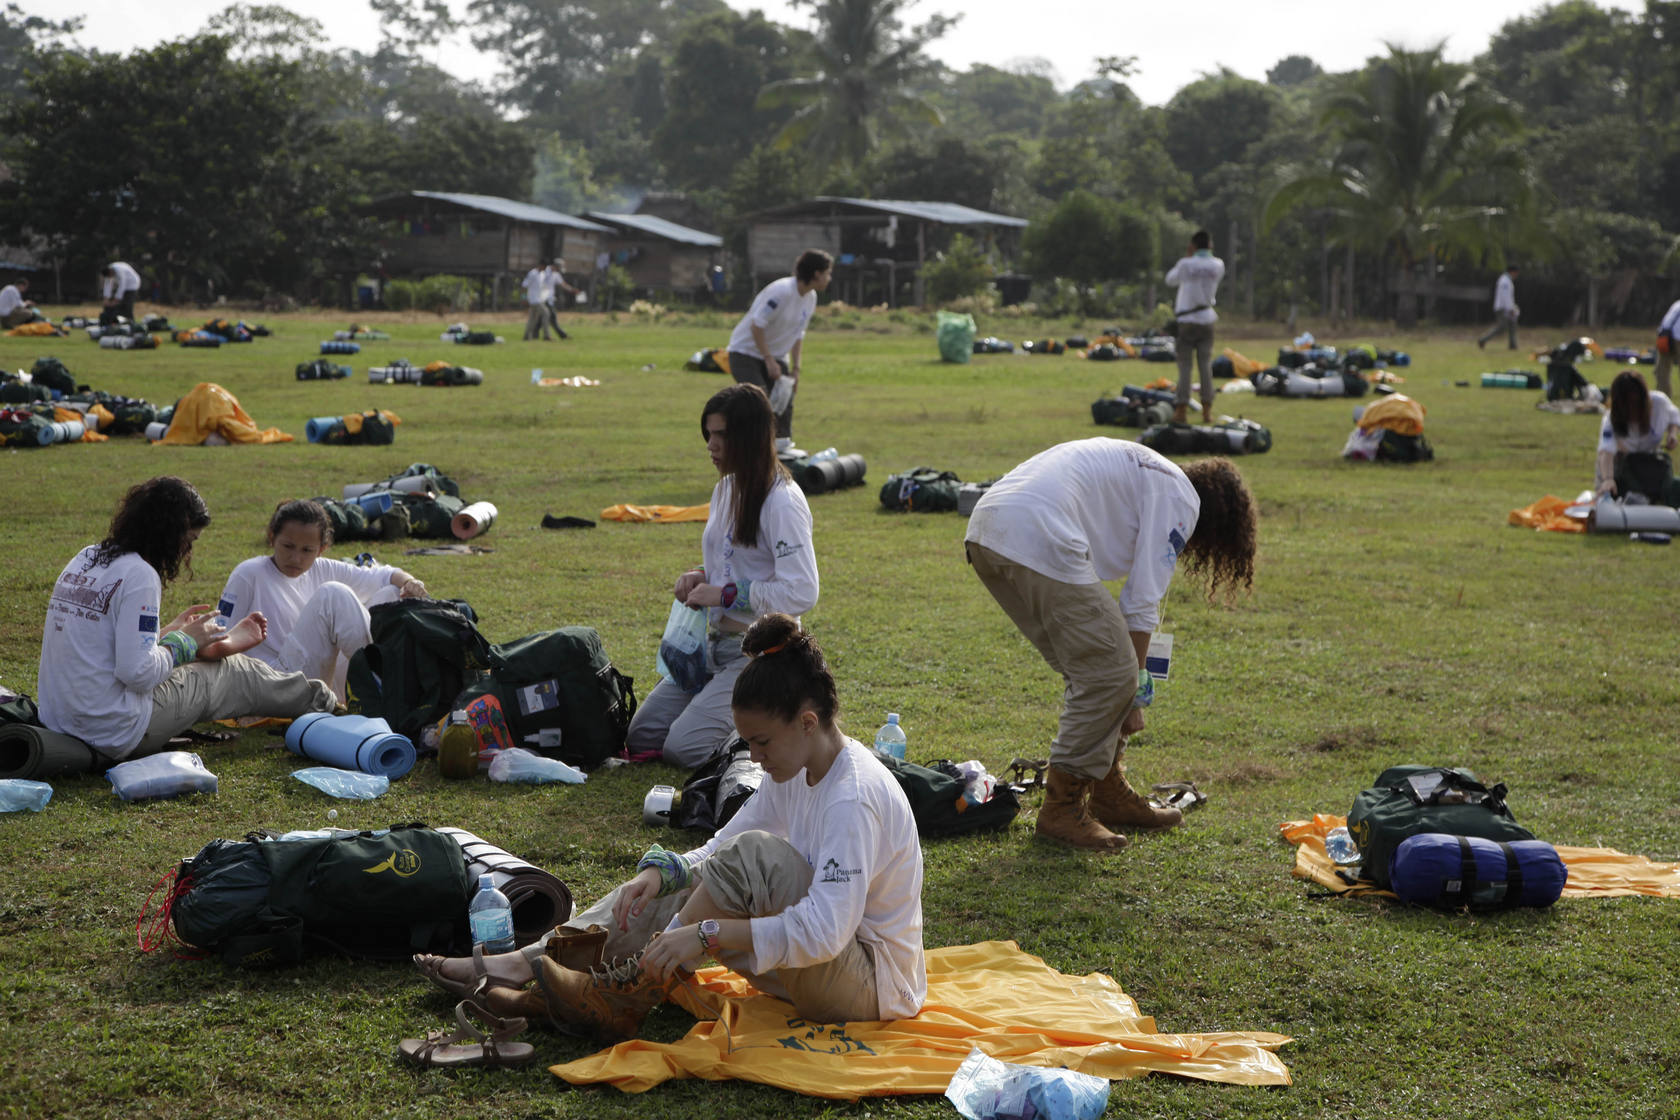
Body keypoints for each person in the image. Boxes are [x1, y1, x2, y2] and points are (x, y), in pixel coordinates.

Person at [409, 613, 925, 1053]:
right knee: (679, 881)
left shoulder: (852, 796)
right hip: (818, 968)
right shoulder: (793, 769)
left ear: (808, 723)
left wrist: (705, 933)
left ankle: (623, 993)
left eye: (761, 742)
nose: (755, 757)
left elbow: (824, 932)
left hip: (868, 988)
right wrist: (667, 873)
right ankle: (527, 965)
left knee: (755, 859)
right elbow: (721, 848)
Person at [964, 438, 1258, 853]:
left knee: (1096, 671)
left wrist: (1126, 684)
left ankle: (1107, 789)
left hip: (987, 531)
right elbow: (1139, 605)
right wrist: (1134, 695)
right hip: (1037, 533)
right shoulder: (1178, 496)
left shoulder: (1144, 475)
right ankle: (1062, 810)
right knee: (1109, 675)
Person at [37, 477, 337, 762]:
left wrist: (169, 633)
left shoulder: (87, 557)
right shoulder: (140, 575)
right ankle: (327, 705)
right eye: (189, 540)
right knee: (232, 672)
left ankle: (308, 696)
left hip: (61, 719)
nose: (187, 551)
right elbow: (137, 674)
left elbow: (102, 645)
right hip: (114, 731)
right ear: (170, 534)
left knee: (203, 658)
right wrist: (185, 641)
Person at [624, 383, 818, 767]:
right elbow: (730, 560)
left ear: (749, 436)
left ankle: (778, 720)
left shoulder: (782, 501)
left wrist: (727, 595)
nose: (711, 445)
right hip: (711, 647)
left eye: (721, 436)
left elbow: (802, 590)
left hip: (760, 654)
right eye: (708, 434)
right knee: (642, 735)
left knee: (684, 748)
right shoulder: (727, 489)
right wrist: (698, 575)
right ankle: (742, 716)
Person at [216, 500, 430, 704]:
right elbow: (221, 637)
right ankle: (390, 692)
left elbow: (386, 575)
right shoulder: (249, 573)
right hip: (273, 682)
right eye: (288, 546)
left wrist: (411, 583)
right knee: (333, 594)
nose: (296, 558)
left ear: (321, 549)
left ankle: (394, 685)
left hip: (318, 679)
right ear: (272, 538)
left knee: (392, 593)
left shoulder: (322, 568)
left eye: (306, 550)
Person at [727, 249, 832, 453]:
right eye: (828, 273)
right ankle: (752, 451)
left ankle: (781, 448)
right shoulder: (781, 291)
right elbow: (757, 326)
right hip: (745, 353)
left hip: (775, 355)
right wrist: (768, 360)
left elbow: (798, 334)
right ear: (817, 274)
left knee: (785, 396)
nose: (829, 278)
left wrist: (796, 370)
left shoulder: (810, 298)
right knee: (758, 402)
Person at [1163, 230, 1225, 424]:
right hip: (1207, 319)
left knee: (1185, 367)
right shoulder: (1218, 264)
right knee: (1205, 366)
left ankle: (1181, 410)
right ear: (1210, 245)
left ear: (1192, 246)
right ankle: (1207, 411)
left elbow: (1170, 280)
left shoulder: (1186, 264)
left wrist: (1187, 257)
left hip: (1187, 321)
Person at [1594, 369, 1680, 506]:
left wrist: (1672, 435)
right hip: (1620, 467)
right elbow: (1606, 452)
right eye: (1626, 406)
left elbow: (1675, 417)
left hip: (1649, 465)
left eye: (1636, 404)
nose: (1632, 410)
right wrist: (1608, 479)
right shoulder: (1610, 420)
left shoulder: (1660, 402)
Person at [1477, 264, 1520, 350]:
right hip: (1502, 308)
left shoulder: (1507, 280)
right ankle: (1483, 340)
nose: (1516, 275)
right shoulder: (1504, 281)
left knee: (1512, 324)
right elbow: (1505, 296)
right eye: (1516, 273)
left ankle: (1513, 345)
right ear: (1512, 272)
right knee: (1502, 327)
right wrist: (1510, 308)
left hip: (1506, 307)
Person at [542, 259, 579, 339]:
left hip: (550, 298)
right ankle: (562, 335)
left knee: (542, 317)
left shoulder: (555, 274)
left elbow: (563, 284)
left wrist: (572, 290)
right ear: (555, 266)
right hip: (542, 298)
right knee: (552, 316)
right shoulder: (544, 271)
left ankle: (534, 335)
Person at [1653, 296, 1680, 397]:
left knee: (1662, 369)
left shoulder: (1676, 304)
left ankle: (1663, 394)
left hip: (1664, 335)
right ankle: (1663, 394)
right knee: (1662, 368)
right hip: (1674, 336)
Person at [521, 264, 553, 341]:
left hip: (538, 299)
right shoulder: (532, 273)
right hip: (534, 300)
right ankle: (546, 335)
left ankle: (527, 336)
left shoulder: (541, 274)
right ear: (541, 265)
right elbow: (524, 286)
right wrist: (524, 298)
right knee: (546, 313)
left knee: (533, 319)